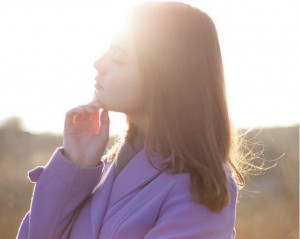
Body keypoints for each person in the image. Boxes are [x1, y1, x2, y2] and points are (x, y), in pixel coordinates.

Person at [17, 1, 245, 238]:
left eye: (119, 56)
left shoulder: (200, 189)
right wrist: (76, 166)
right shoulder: (101, 171)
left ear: (165, 75)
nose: (99, 63)